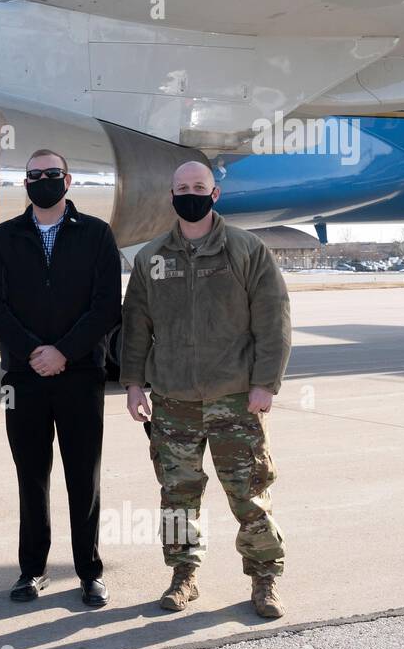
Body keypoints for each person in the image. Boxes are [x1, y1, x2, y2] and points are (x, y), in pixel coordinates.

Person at [120, 160, 292, 619]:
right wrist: (134, 384)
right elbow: (136, 326)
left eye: (199, 186)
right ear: (171, 195)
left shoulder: (246, 249)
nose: (190, 193)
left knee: (249, 492)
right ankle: (183, 575)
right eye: (182, 187)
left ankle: (264, 579)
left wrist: (264, 385)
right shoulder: (151, 257)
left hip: (235, 395)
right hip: (173, 400)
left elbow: (273, 322)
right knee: (178, 495)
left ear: (214, 195)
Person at [0, 149, 122, 607]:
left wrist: (63, 351)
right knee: (31, 477)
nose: (42, 180)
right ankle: (31, 570)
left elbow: (105, 306)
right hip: (21, 379)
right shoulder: (4, 237)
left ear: (68, 179)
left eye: (51, 174)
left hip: (80, 376)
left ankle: (89, 572)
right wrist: (32, 352)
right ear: (25, 183)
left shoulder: (97, 235)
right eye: (33, 175)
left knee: (84, 477)